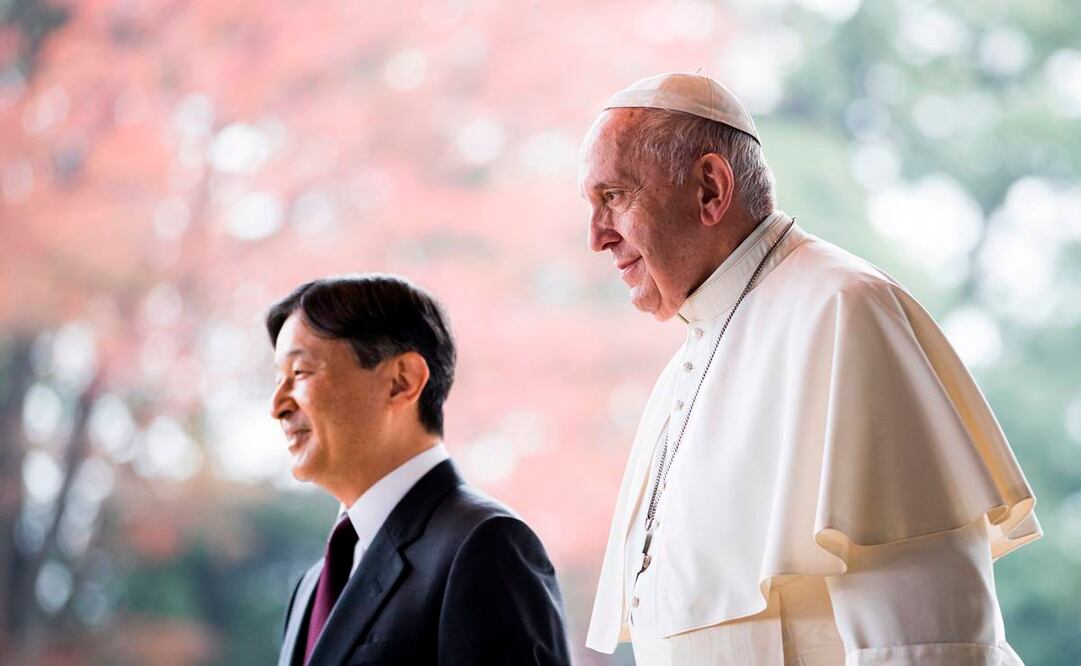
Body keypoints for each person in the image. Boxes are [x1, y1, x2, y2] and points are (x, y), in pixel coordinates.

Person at [580, 72, 1041, 665]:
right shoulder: (686, 367)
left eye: (613, 196)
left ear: (710, 189)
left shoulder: (843, 312)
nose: (595, 236)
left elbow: (928, 646)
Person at [267, 274, 572, 666]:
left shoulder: (486, 546)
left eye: (300, 373)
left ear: (401, 381)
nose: (277, 405)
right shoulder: (314, 585)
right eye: (278, 379)